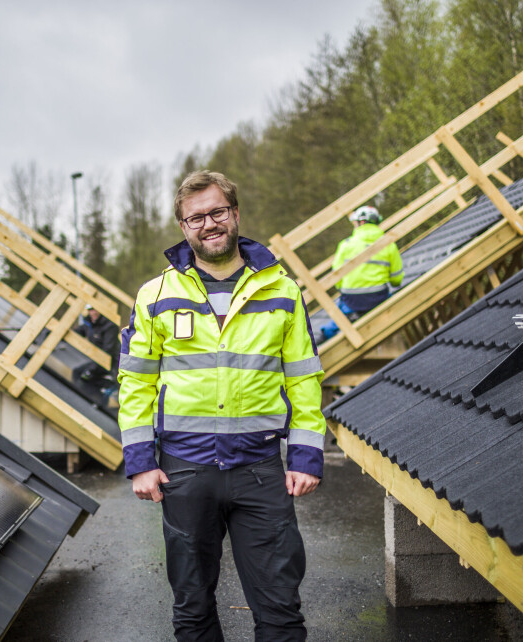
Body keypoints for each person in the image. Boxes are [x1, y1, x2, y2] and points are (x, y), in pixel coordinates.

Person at [117, 170, 326, 641]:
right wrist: (140, 463)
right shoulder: (155, 295)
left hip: (260, 469)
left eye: (217, 212)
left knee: (281, 610)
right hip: (185, 471)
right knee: (192, 610)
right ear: (183, 226)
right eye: (196, 218)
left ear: (235, 214)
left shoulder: (282, 290)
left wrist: (306, 456)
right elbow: (136, 383)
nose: (208, 224)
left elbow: (304, 379)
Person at [320, 205, 404, 341]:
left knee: (340, 315)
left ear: (362, 222)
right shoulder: (388, 244)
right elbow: (396, 280)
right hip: (378, 297)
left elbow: (337, 280)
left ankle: (325, 335)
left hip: (352, 300)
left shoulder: (345, 245)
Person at [72, 304, 120, 384]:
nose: (93, 312)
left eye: (95, 309)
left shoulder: (110, 326)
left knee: (87, 377)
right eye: (90, 310)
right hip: (97, 361)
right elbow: (76, 333)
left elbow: (108, 350)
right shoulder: (89, 324)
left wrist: (92, 369)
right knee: (77, 372)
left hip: (111, 364)